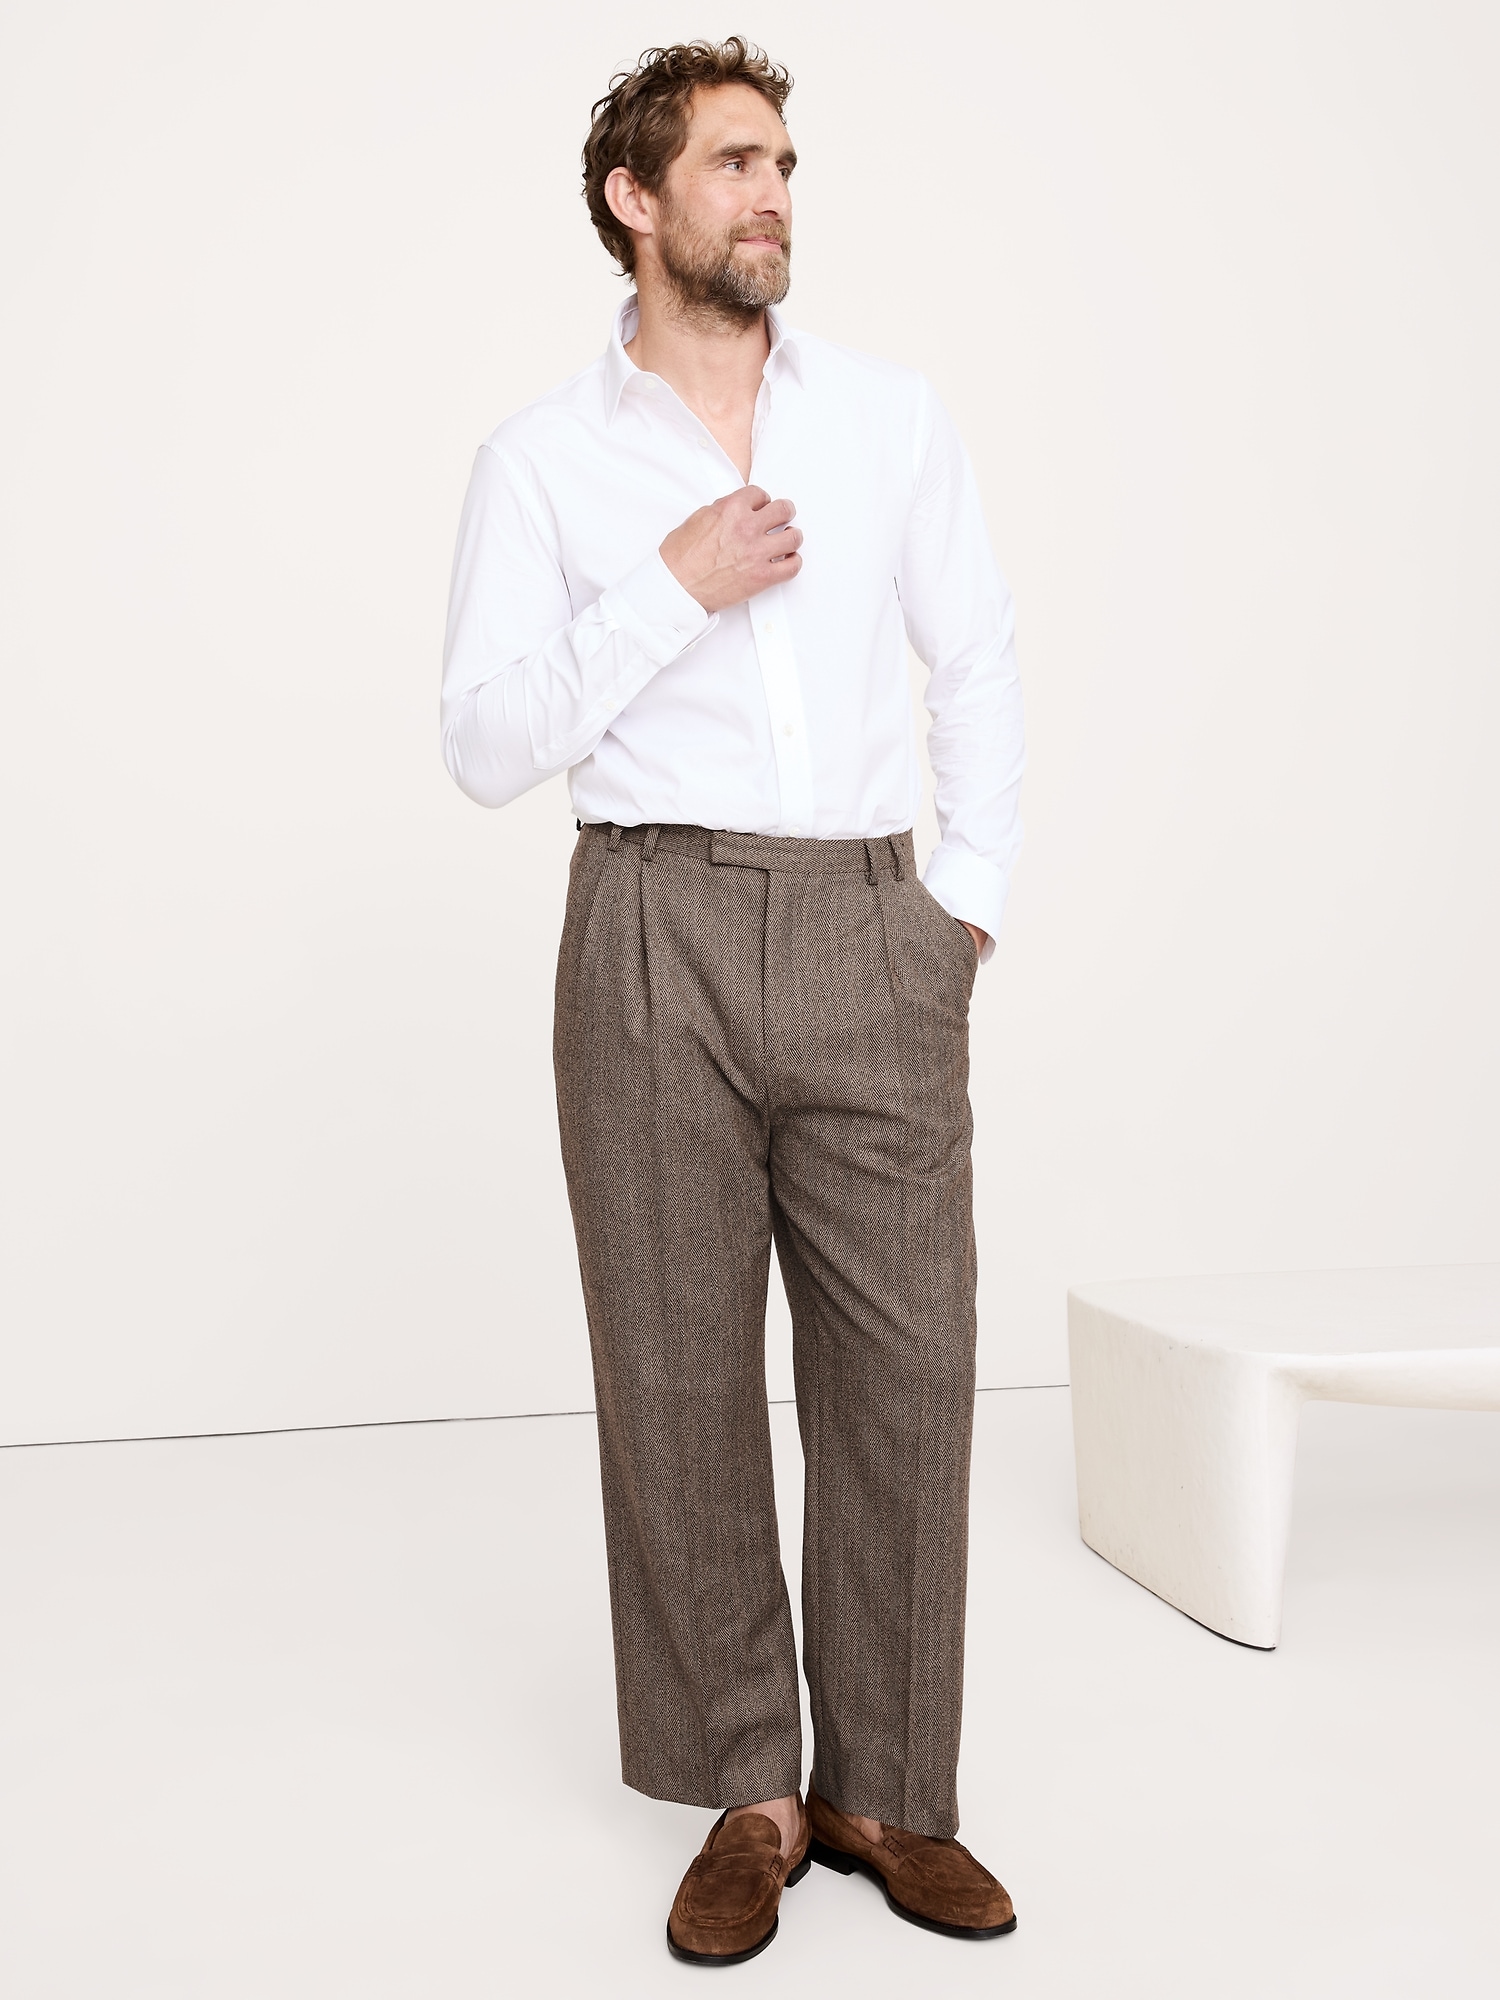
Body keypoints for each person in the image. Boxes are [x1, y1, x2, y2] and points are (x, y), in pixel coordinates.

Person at [441, 37, 1025, 1966]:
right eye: (733, 162)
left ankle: (889, 1791)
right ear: (637, 199)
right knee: (678, 1374)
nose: (774, 192)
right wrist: (670, 587)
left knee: (909, 1367)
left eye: (784, 162)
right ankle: (751, 1797)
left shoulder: (888, 418)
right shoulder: (544, 459)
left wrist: (962, 910)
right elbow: (484, 742)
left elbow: (977, 655)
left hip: (869, 922)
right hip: (650, 926)